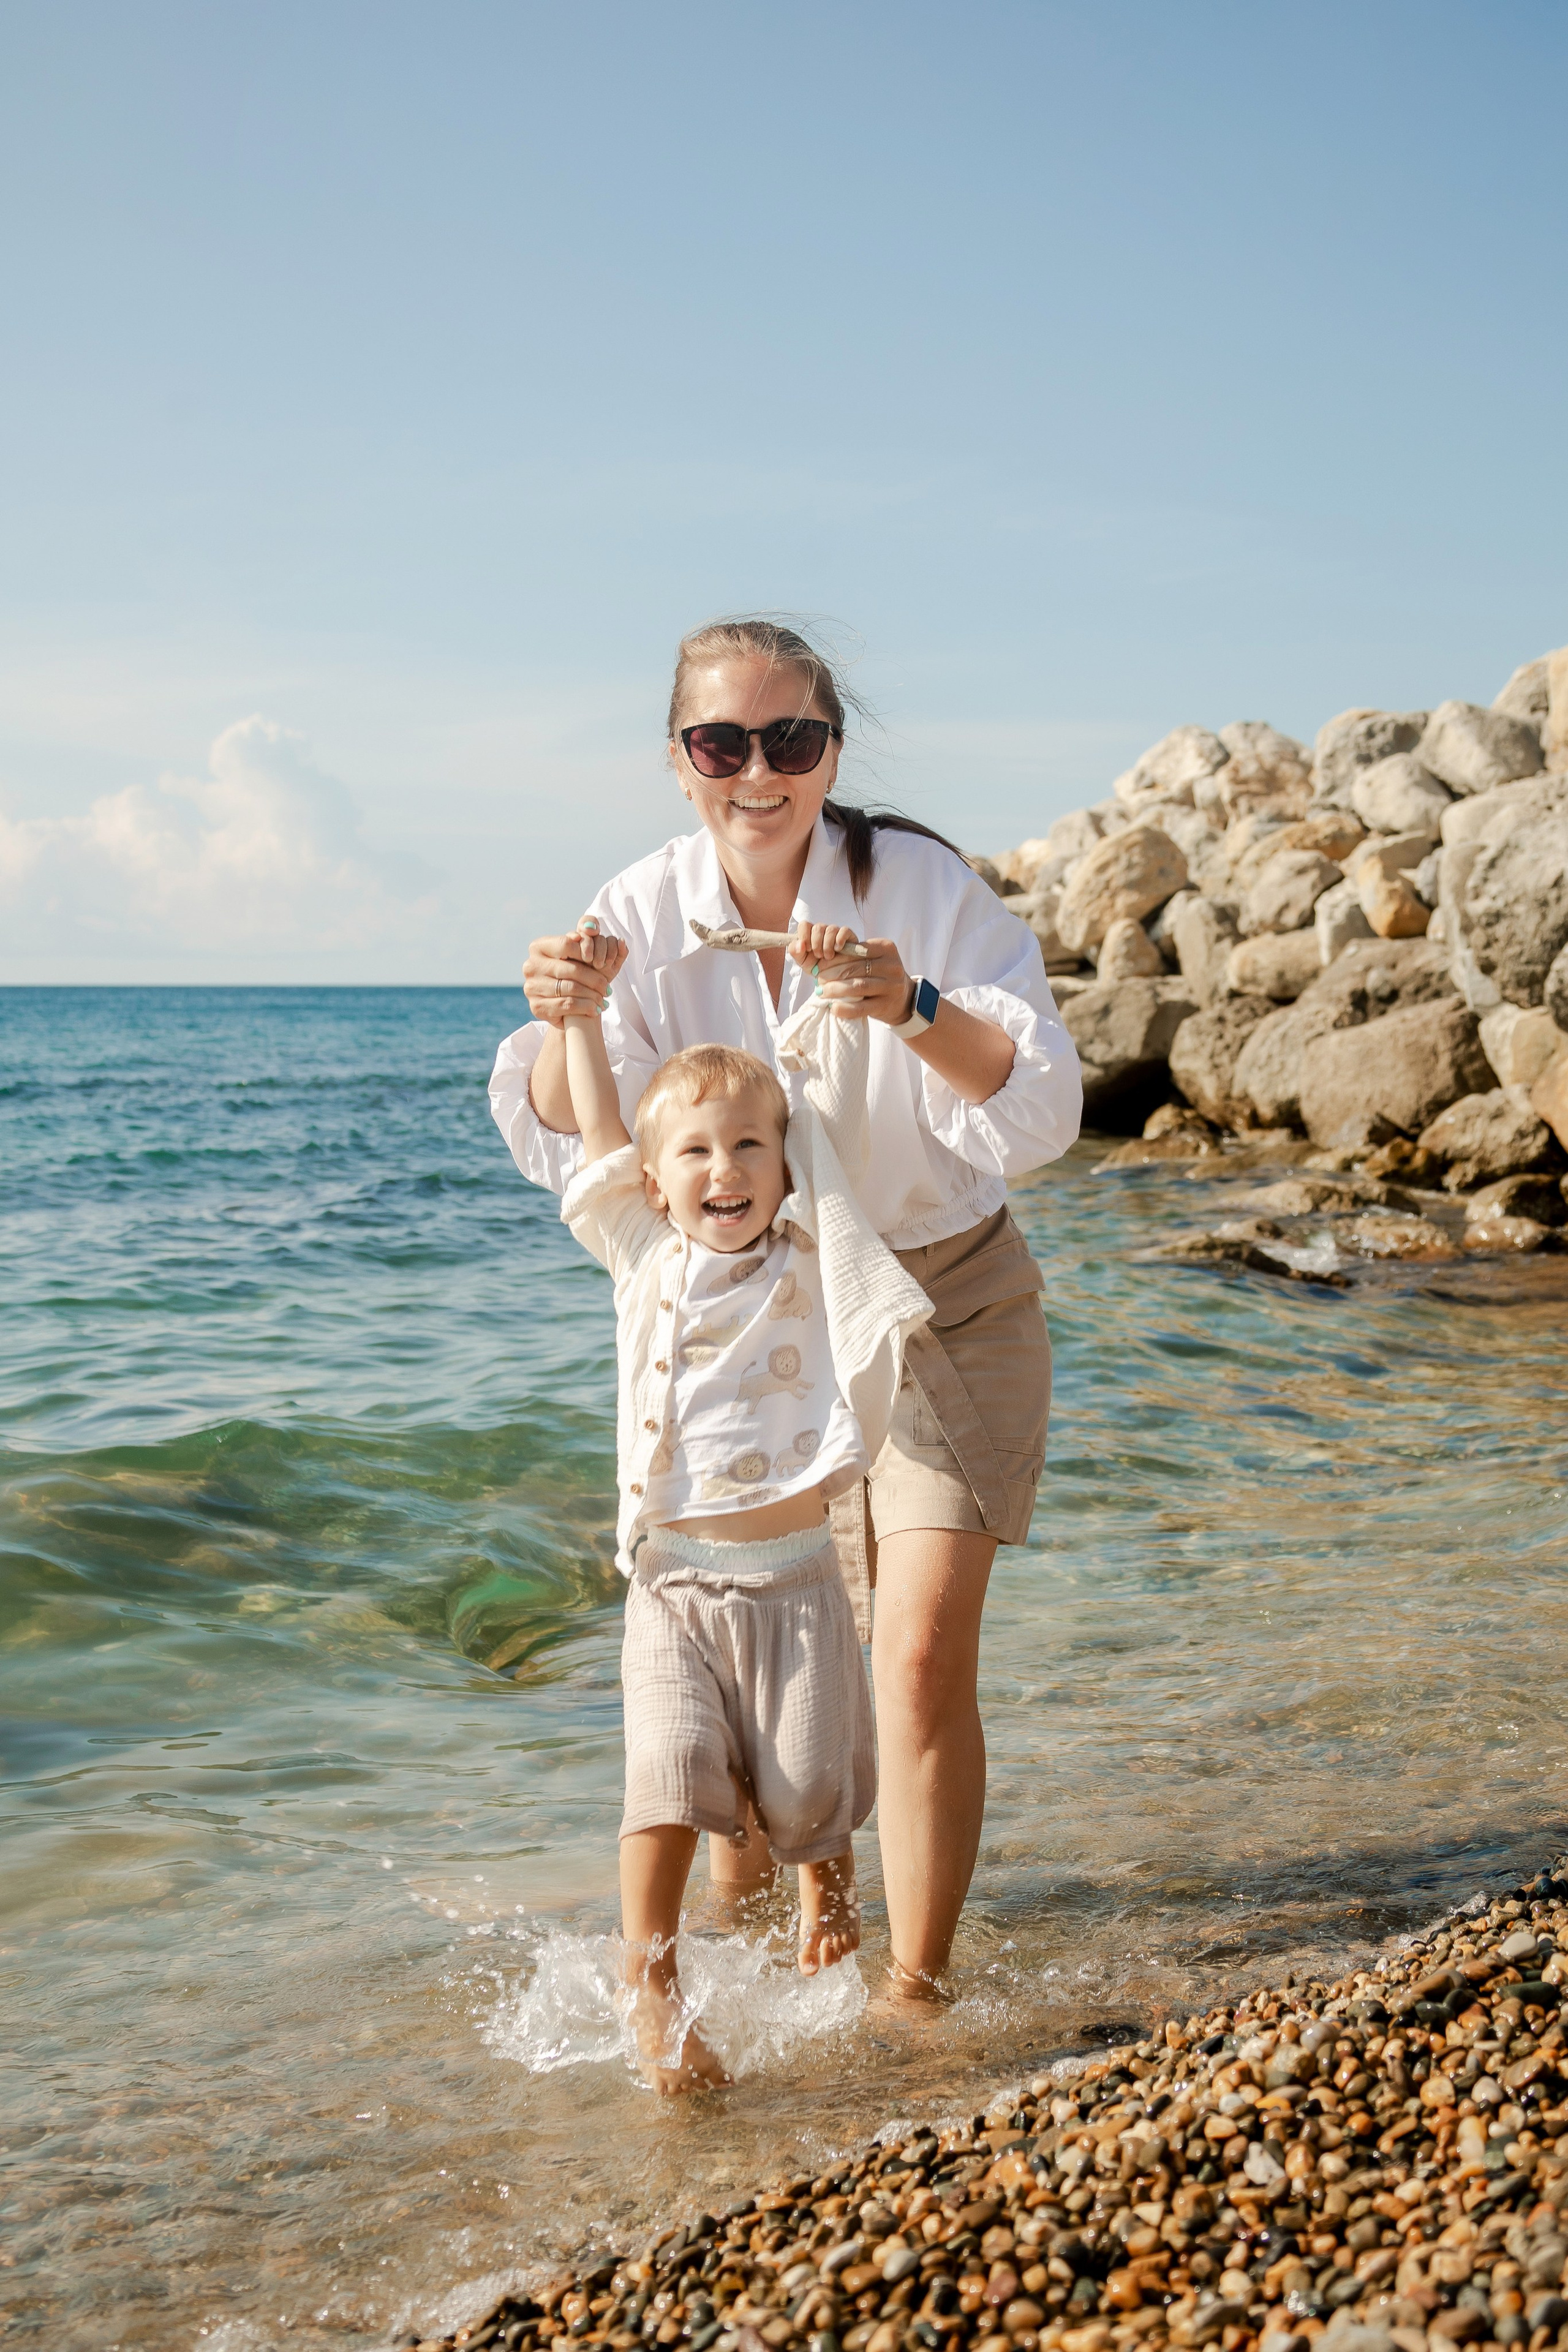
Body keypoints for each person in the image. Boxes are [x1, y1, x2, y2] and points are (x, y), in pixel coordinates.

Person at [489, 618, 1083, 2006]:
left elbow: (1040, 1104)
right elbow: (601, 1141)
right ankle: (749, 1999)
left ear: (829, 753)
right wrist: (565, 1013)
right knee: (756, 1670)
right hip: (753, 1327)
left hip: (941, 1293)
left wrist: (908, 999)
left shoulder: (916, 884)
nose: (758, 771)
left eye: (792, 740)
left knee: (916, 1644)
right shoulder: (636, 909)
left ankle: (915, 1994)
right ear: (680, 758)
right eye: (722, 742)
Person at [557, 937, 933, 2091]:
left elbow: (830, 1108)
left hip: (799, 1577)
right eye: (697, 1153)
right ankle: (651, 1975)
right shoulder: (640, 1253)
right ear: (659, 1182)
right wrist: (584, 1016)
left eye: (749, 1147)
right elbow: (599, 1135)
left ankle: (827, 1880)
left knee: (810, 1783)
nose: (725, 1169)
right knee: (667, 1771)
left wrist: (832, 999)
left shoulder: (812, 1254)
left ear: (783, 1166)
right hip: (674, 1582)